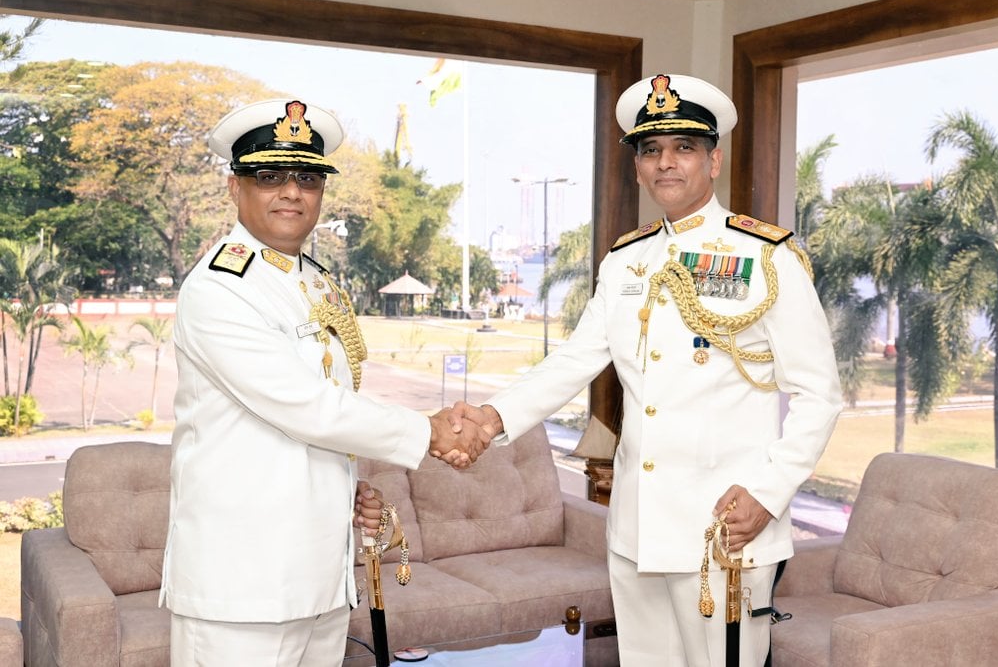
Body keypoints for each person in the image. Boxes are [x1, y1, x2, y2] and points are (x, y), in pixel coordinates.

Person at [453, 74, 842, 666]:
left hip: (726, 527)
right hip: (637, 528)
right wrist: (490, 417)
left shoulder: (765, 257)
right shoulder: (626, 258)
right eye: (650, 150)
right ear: (637, 167)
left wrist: (768, 495)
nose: (666, 163)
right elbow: (579, 358)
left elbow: (821, 395)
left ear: (714, 161)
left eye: (683, 148)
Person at [160, 98, 489, 666]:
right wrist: (430, 432)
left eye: (307, 178)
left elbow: (333, 407)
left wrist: (348, 487)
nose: (292, 192)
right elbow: (305, 407)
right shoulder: (220, 287)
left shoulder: (315, 280)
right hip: (243, 583)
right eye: (269, 177)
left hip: (320, 574)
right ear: (234, 187)